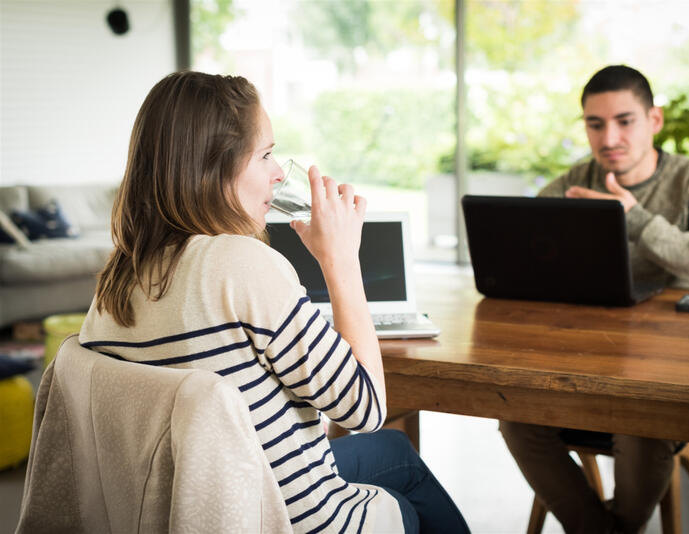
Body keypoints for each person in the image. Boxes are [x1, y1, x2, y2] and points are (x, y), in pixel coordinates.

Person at [79, 71, 470, 534]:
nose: (281, 172)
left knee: (395, 453)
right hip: (276, 513)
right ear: (213, 166)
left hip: (196, 499)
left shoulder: (115, 281)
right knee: (401, 493)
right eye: (265, 155)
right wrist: (342, 261)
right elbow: (365, 410)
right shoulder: (239, 262)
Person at [499, 65, 689, 534]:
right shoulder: (570, 184)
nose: (609, 137)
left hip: (667, 370)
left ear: (654, 120)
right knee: (516, 418)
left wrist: (636, 219)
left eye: (624, 120)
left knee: (641, 423)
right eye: (595, 124)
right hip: (585, 361)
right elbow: (520, 265)